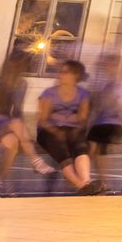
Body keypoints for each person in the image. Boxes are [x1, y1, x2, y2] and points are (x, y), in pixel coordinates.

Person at [36, 59, 100, 194]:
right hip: (49, 130)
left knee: (80, 147)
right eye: (61, 71)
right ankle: (81, 184)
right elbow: (43, 120)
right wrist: (57, 129)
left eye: (65, 72)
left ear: (76, 75)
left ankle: (86, 181)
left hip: (72, 129)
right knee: (62, 150)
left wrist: (72, 126)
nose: (60, 74)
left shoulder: (83, 94)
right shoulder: (49, 93)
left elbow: (82, 119)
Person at [0, 51, 53, 192]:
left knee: (13, 142)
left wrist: (23, 132)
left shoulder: (22, 84)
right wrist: (13, 124)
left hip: (8, 125)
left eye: (23, 65)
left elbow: (18, 111)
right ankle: (36, 161)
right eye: (18, 65)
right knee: (15, 124)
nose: (20, 68)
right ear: (9, 65)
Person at [86, 54, 122, 185]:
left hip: (118, 122)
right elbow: (98, 106)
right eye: (107, 66)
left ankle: (103, 182)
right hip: (101, 122)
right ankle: (89, 178)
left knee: (98, 145)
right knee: (91, 146)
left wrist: (113, 101)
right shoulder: (105, 84)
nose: (108, 68)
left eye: (112, 65)